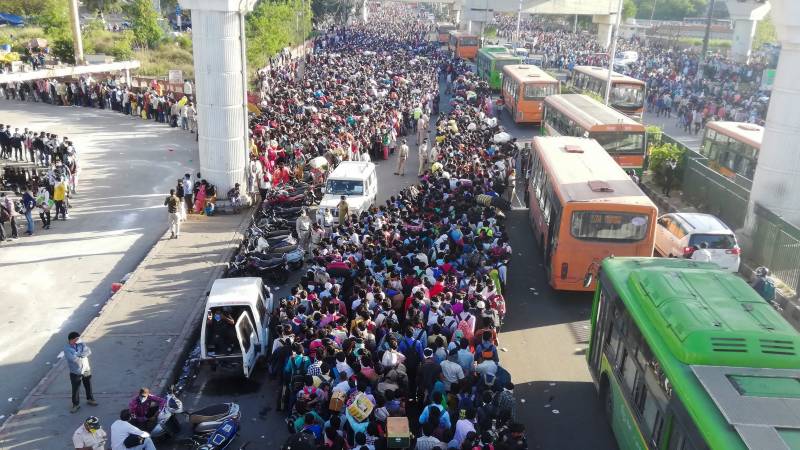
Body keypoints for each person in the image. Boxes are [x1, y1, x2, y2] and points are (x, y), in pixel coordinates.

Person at [65, 331, 97, 413]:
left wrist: (78, 354)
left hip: (86, 368)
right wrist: (82, 354)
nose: (78, 340)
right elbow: (73, 359)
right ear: (71, 340)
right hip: (76, 371)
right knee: (75, 388)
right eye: (76, 339)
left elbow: (88, 351)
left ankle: (90, 399)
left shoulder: (81, 343)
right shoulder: (67, 348)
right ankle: (75, 404)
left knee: (88, 385)